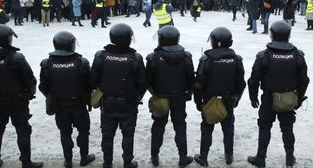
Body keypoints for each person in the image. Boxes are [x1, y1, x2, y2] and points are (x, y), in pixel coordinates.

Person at [0, 24, 43, 168]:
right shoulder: (16, 57)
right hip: (17, 101)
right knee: (23, 131)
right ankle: (26, 162)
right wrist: (30, 94)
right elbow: (30, 79)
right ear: (7, 39)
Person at [247, 21, 309, 168]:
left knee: (265, 127)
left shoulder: (264, 56)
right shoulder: (297, 55)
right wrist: (298, 99)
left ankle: (261, 158)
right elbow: (304, 80)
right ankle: (289, 157)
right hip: (288, 99)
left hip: (269, 98)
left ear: (272, 34)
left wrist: (253, 96)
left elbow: (253, 79)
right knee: (287, 128)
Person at [91, 23, 147, 168]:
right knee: (128, 134)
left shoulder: (101, 55)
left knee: (107, 134)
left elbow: (93, 79)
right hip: (128, 102)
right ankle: (127, 162)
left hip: (108, 101)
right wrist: (137, 97)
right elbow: (142, 82)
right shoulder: (135, 57)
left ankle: (107, 162)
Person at [38, 32, 95, 168]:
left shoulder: (47, 63)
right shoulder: (81, 62)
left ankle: (68, 160)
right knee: (83, 131)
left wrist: (51, 96)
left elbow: (42, 86)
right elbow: (90, 83)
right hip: (78, 104)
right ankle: (83, 157)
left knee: (64, 132)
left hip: (60, 104)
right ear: (71, 44)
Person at [193, 27, 246, 167]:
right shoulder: (236, 59)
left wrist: (198, 102)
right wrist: (236, 99)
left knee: (207, 128)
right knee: (228, 128)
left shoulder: (206, 59)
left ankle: (203, 157)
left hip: (210, 101)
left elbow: (198, 84)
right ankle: (229, 155)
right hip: (228, 100)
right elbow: (241, 83)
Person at [145, 26, 195, 167]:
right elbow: (191, 79)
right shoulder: (186, 56)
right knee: (180, 126)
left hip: (161, 97)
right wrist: (188, 93)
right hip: (179, 97)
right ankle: (183, 156)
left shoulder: (154, 57)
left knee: (158, 126)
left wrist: (154, 93)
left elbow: (147, 79)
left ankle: (154, 155)